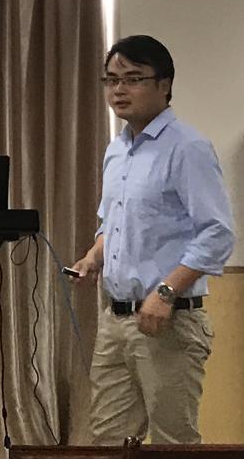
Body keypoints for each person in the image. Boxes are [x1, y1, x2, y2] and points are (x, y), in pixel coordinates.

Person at [71, 34, 236, 445]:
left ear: (164, 85)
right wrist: (93, 257)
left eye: (133, 79)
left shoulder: (188, 148)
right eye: (111, 80)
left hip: (170, 320)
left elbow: (217, 232)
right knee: (108, 442)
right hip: (115, 321)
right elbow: (114, 225)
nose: (119, 90)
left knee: (171, 442)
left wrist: (165, 292)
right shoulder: (117, 151)